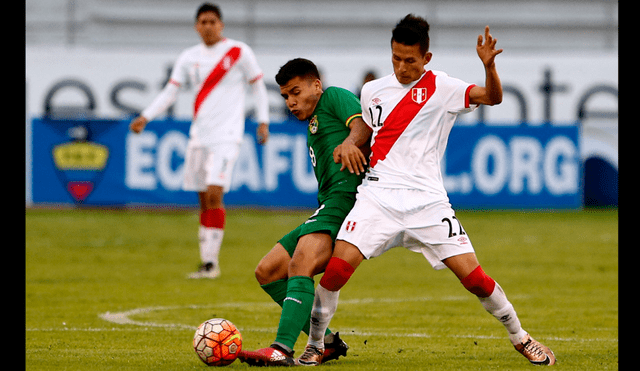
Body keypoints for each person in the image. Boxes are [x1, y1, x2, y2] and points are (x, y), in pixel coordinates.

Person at [297, 15, 557, 367]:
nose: (402, 68)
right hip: (378, 197)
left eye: (410, 61)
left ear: (427, 58)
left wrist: (489, 67)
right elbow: (366, 131)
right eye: (396, 59)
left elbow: (493, 98)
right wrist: (348, 142)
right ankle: (315, 345)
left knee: (476, 280)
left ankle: (520, 336)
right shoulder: (373, 90)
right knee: (335, 274)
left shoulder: (444, 87)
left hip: (428, 203)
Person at [237, 58, 371, 366]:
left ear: (316, 85)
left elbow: (362, 124)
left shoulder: (334, 96)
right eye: (285, 96)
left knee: (301, 262)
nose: (291, 101)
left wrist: (351, 143)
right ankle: (326, 342)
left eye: (295, 92)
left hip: (346, 199)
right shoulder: (313, 122)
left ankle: (281, 349)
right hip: (327, 204)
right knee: (268, 271)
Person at [129, 3, 270, 279]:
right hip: (199, 136)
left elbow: (258, 85)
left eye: (212, 21)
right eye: (203, 22)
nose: (208, 26)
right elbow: (170, 92)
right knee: (204, 198)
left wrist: (263, 120)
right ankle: (207, 261)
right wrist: (146, 116)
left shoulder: (238, 52)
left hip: (227, 136)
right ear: (196, 26)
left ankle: (211, 263)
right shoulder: (188, 57)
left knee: (216, 193)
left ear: (221, 25)